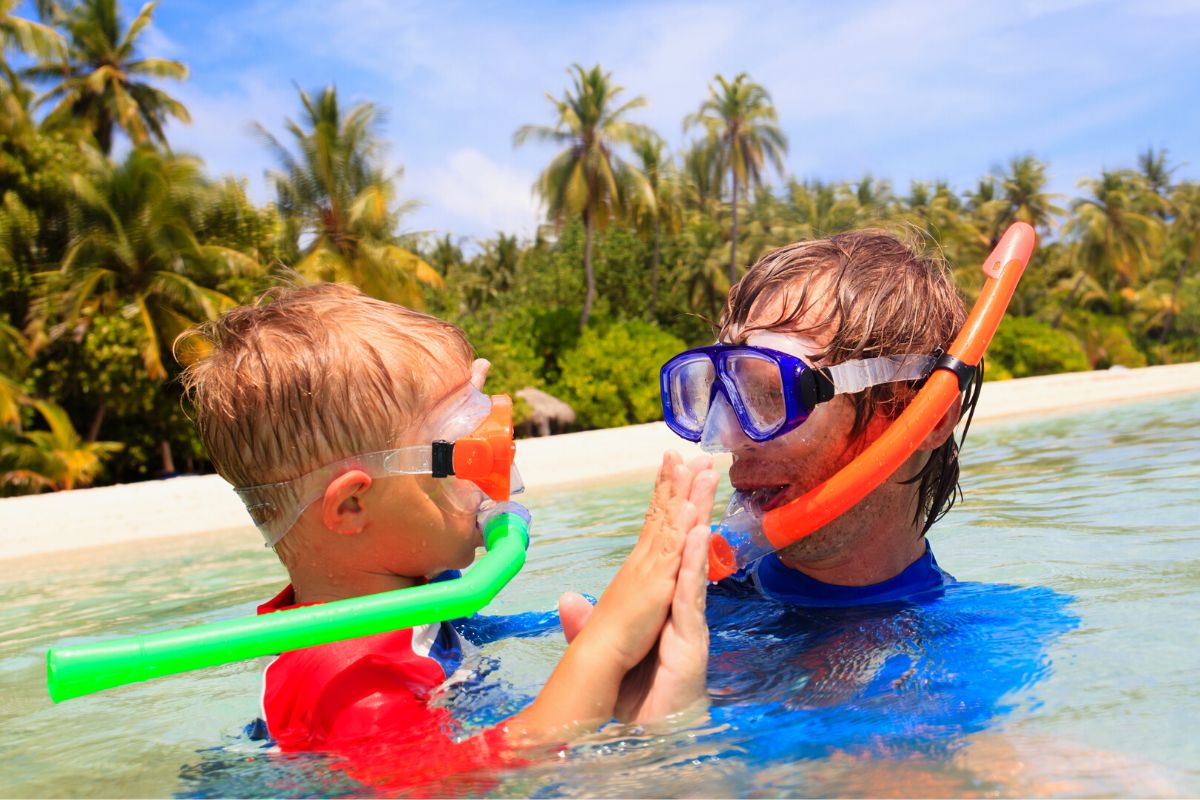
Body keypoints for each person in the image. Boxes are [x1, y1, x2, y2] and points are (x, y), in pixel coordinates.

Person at [177, 283, 717, 780]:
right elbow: (453, 784)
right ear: (353, 506)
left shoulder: (413, 593)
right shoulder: (345, 680)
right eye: (462, 445)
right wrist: (605, 648)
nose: (495, 463)